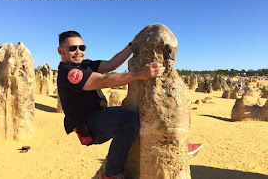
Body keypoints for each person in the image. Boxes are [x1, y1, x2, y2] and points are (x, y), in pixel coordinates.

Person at [57, 31, 202, 179]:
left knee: (140, 112)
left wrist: (132, 45)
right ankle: (110, 173)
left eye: (82, 47)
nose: (78, 52)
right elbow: (104, 81)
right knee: (128, 121)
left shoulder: (84, 65)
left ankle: (174, 144)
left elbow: (111, 64)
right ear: (61, 51)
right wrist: (139, 74)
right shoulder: (69, 73)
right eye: (72, 48)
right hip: (89, 125)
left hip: (98, 115)